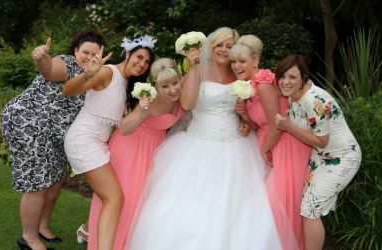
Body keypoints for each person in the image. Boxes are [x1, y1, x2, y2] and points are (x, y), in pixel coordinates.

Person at [125, 27, 282, 250]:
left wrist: (245, 120)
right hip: (197, 144)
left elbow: (251, 109)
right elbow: (187, 104)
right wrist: (192, 67)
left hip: (236, 146)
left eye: (229, 46)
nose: (224, 50)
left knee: (238, 207)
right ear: (212, 46)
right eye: (220, 45)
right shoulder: (199, 70)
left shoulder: (241, 74)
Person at [0, 30, 104, 250]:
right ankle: (28, 238)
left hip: (53, 135)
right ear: (76, 51)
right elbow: (49, 70)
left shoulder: (95, 75)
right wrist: (42, 58)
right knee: (39, 183)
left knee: (56, 179)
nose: (89, 57)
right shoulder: (67, 64)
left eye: (95, 55)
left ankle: (41, 226)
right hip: (28, 123)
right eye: (85, 52)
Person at [62, 35, 155, 250]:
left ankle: (87, 230)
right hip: (83, 140)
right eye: (139, 57)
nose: (142, 64)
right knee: (114, 198)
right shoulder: (107, 72)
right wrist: (87, 74)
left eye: (147, 62)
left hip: (99, 143)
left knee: (111, 196)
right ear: (128, 53)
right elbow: (67, 90)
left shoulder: (130, 84)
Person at [87, 58, 182, 250]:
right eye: (165, 86)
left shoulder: (182, 95)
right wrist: (143, 112)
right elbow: (124, 128)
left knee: (142, 202)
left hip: (153, 151)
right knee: (126, 200)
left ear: (181, 79)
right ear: (157, 85)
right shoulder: (152, 98)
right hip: (130, 148)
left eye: (175, 83)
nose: (172, 90)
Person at [230, 35, 312, 250]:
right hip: (270, 143)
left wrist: (265, 149)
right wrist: (246, 117)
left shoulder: (264, 82)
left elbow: (277, 124)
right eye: (233, 61)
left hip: (284, 145)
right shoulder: (251, 84)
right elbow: (262, 123)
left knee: (280, 206)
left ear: (255, 61)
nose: (236, 66)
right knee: (273, 207)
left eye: (242, 61)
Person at [274, 54, 362, 250]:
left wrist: (288, 126)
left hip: (343, 158)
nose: (285, 82)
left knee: (310, 210)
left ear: (304, 77)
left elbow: (322, 141)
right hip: (320, 157)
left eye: (292, 77)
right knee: (309, 208)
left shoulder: (315, 100)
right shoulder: (293, 94)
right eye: (282, 76)